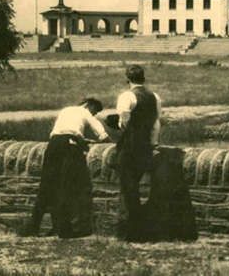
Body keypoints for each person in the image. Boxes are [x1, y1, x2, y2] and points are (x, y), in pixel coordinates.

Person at [24, 97, 109, 238]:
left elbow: (65, 131)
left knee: (46, 186)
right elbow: (101, 133)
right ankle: (65, 230)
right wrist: (110, 144)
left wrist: (81, 139)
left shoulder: (65, 111)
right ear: (89, 106)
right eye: (95, 111)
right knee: (67, 185)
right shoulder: (85, 112)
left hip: (53, 144)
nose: (94, 114)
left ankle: (32, 228)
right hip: (69, 147)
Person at [115, 64, 161, 241]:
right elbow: (156, 124)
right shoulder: (154, 97)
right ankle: (138, 230)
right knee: (134, 185)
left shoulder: (127, 95)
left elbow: (124, 118)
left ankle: (129, 232)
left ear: (127, 79)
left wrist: (121, 124)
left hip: (130, 145)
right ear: (144, 79)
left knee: (127, 188)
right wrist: (153, 144)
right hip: (145, 147)